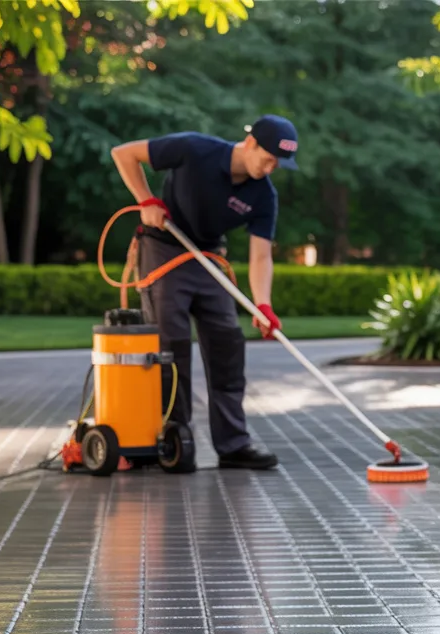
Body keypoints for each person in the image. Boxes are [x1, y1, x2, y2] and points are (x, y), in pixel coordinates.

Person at [111, 115, 300, 469]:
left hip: (209, 258)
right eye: (268, 158)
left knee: (228, 342)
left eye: (278, 164)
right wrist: (146, 200)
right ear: (250, 143)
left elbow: (261, 256)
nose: (270, 168)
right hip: (165, 248)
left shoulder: (264, 195)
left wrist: (263, 305)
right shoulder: (195, 149)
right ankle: (174, 439)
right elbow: (124, 153)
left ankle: (233, 444)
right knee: (172, 344)